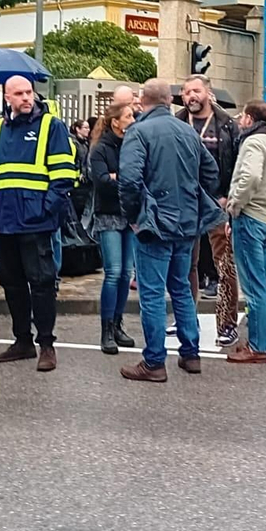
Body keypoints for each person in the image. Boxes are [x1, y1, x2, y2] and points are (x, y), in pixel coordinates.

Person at [118, 80, 222, 380]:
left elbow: (129, 179)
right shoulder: (187, 131)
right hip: (186, 221)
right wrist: (193, 195)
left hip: (154, 222)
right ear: (169, 100)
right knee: (181, 287)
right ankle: (190, 353)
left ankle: (154, 361)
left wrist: (134, 215)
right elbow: (211, 171)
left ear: (142, 101)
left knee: (152, 293)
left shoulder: (139, 131)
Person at [0, 76, 77, 371]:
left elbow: (64, 175)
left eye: (29, 92)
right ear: (7, 97)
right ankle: (22, 341)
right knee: (11, 284)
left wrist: (45, 210)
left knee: (42, 284)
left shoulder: (51, 126)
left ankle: (46, 344)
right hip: (4, 221)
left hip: (35, 221)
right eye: (19, 93)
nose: (26, 97)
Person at [176, 75, 242, 348]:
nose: (191, 96)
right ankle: (185, 317)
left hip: (216, 204)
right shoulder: (177, 122)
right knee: (185, 265)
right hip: (185, 204)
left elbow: (237, 162)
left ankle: (227, 324)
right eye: (187, 92)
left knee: (224, 266)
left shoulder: (227, 124)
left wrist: (228, 196)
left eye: (196, 90)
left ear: (208, 93)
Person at [226, 100, 266, 363]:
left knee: (253, 285)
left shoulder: (252, 143)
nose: (240, 121)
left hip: (250, 216)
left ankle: (258, 346)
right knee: (264, 283)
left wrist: (235, 203)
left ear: (250, 119)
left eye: (242, 117)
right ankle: (261, 341)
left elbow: (249, 177)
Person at [90, 100, 139, 355]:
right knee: (113, 271)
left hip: (129, 214)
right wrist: (123, 178)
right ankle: (106, 329)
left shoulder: (132, 145)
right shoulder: (100, 148)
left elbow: (139, 176)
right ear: (115, 122)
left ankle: (118, 324)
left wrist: (116, 177)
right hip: (108, 215)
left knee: (126, 273)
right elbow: (101, 181)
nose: (133, 120)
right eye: (128, 116)